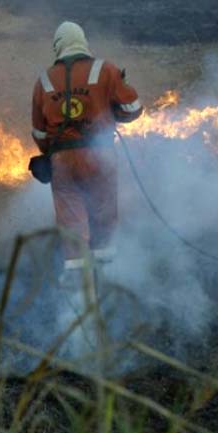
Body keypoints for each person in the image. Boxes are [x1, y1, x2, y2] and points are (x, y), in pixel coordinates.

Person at [31, 21, 143, 273]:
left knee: (71, 221)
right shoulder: (105, 70)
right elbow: (133, 108)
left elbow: (39, 132)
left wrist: (53, 151)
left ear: (57, 47)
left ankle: (77, 285)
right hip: (99, 155)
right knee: (103, 215)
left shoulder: (44, 81)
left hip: (61, 160)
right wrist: (112, 114)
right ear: (83, 42)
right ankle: (107, 278)